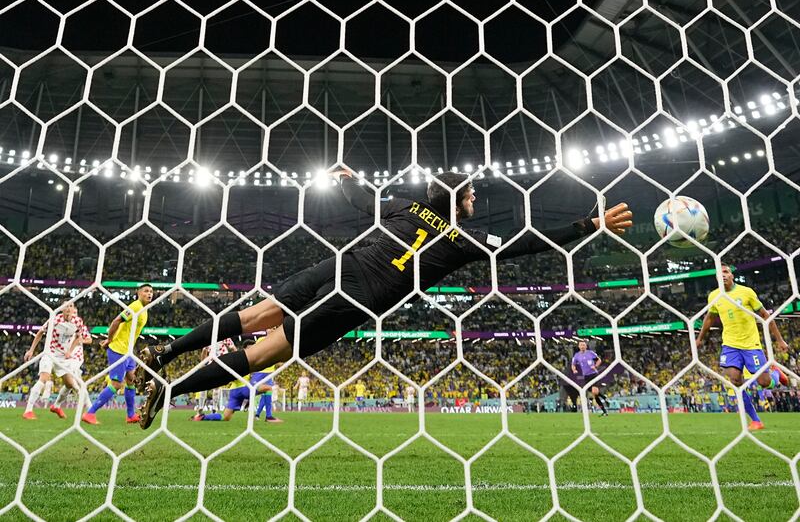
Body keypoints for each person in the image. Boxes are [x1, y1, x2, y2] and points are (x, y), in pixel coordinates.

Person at [136, 169, 633, 429]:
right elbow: (527, 243)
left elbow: (361, 202)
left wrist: (348, 181)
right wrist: (589, 224)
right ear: (457, 200)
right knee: (266, 351)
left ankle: (167, 353)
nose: (476, 200)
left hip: (342, 265)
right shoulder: (464, 240)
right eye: (472, 196)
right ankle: (169, 391)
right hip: (360, 296)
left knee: (253, 315)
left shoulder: (405, 206)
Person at [696, 263, 789, 430]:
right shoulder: (714, 296)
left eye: (726, 272)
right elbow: (709, 318)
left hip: (750, 344)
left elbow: (765, 316)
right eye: (720, 273)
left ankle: (775, 374)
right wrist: (699, 339)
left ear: (732, 276)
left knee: (764, 382)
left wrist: (779, 340)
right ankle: (755, 420)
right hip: (730, 345)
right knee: (735, 380)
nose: (723, 275)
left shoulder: (746, 292)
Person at [82, 284, 154, 425]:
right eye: (146, 291)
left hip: (128, 352)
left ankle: (131, 415)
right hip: (118, 350)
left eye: (151, 291)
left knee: (131, 380)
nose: (149, 293)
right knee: (116, 384)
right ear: (138, 293)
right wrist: (109, 339)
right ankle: (90, 413)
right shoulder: (135, 307)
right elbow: (117, 320)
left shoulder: (144, 311)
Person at [22, 302, 91, 420]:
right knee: (44, 378)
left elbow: (79, 337)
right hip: (50, 353)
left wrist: (70, 350)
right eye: (66, 306)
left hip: (63, 358)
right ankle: (28, 411)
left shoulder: (78, 321)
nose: (69, 309)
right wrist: (31, 350)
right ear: (61, 309)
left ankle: (57, 406)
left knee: (70, 384)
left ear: (73, 308)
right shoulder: (54, 320)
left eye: (71, 306)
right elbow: (40, 333)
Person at [196, 338, 237, 413]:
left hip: (211, 363)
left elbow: (204, 351)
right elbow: (233, 348)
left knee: (204, 385)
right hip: (223, 363)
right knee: (217, 387)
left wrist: (202, 364)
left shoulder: (209, 338)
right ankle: (214, 408)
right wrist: (235, 361)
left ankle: (201, 407)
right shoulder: (225, 337)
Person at [570, 339, 609, 416]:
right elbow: (573, 364)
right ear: (578, 346)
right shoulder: (577, 355)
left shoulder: (590, 353)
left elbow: (599, 360)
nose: (582, 346)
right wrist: (574, 370)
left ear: (586, 346)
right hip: (586, 376)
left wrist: (595, 366)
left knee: (594, 391)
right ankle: (604, 409)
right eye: (581, 345)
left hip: (593, 374)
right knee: (595, 395)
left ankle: (604, 400)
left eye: (584, 345)